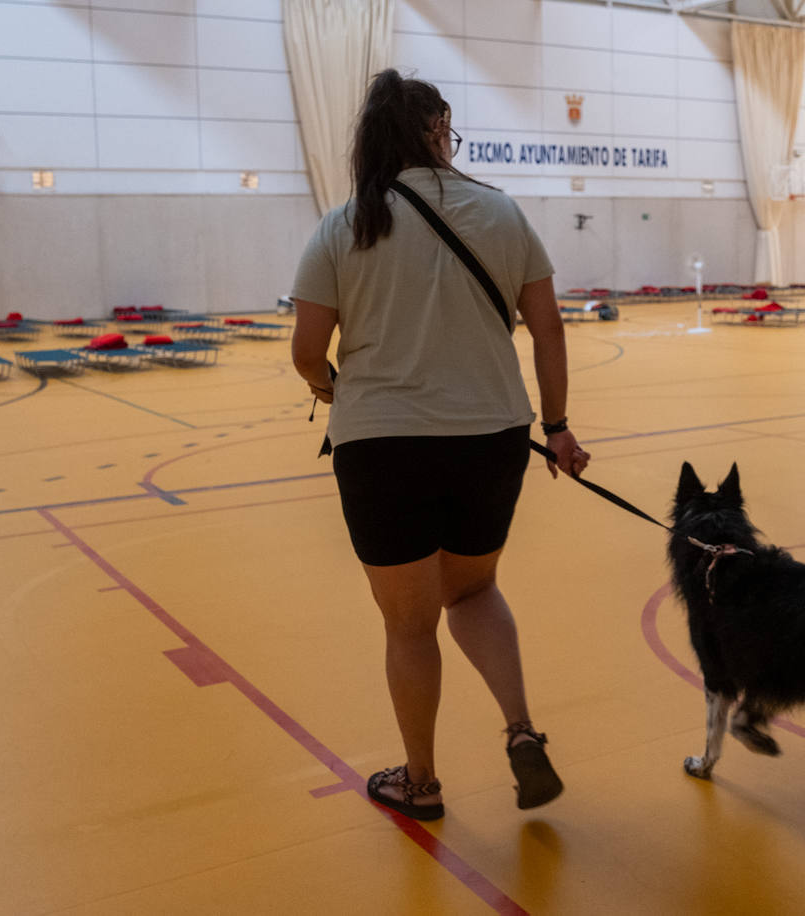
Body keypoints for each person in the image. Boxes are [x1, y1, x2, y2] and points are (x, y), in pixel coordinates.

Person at [290, 69, 587, 821]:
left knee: (409, 625)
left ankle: (420, 783)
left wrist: (330, 389)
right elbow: (548, 328)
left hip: (381, 444)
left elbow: (306, 348)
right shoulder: (501, 212)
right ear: (436, 130)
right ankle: (520, 730)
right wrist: (555, 426)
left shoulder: (343, 225)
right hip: (489, 436)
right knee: (475, 590)